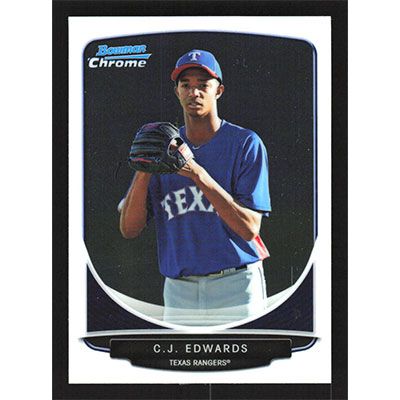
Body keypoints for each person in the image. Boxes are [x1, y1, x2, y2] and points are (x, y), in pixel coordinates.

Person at [119, 49, 271, 325]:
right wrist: (143, 170)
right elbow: (129, 229)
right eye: (186, 84)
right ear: (177, 91)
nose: (194, 92)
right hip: (180, 290)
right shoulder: (164, 146)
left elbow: (250, 229)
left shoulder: (245, 143)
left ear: (219, 91)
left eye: (203, 85)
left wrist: (198, 174)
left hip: (237, 284)